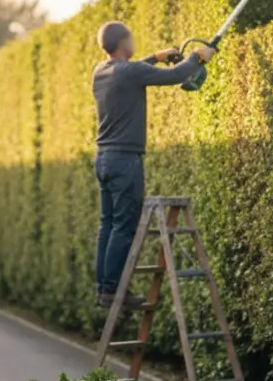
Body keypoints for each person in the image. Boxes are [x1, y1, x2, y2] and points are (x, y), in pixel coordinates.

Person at [92, 20, 216, 309]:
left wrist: (158, 57)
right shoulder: (130, 72)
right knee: (124, 226)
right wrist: (197, 57)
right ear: (124, 42)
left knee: (108, 225)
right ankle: (112, 292)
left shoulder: (101, 71)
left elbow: (137, 70)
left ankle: (104, 289)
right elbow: (176, 76)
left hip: (104, 159)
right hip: (125, 161)